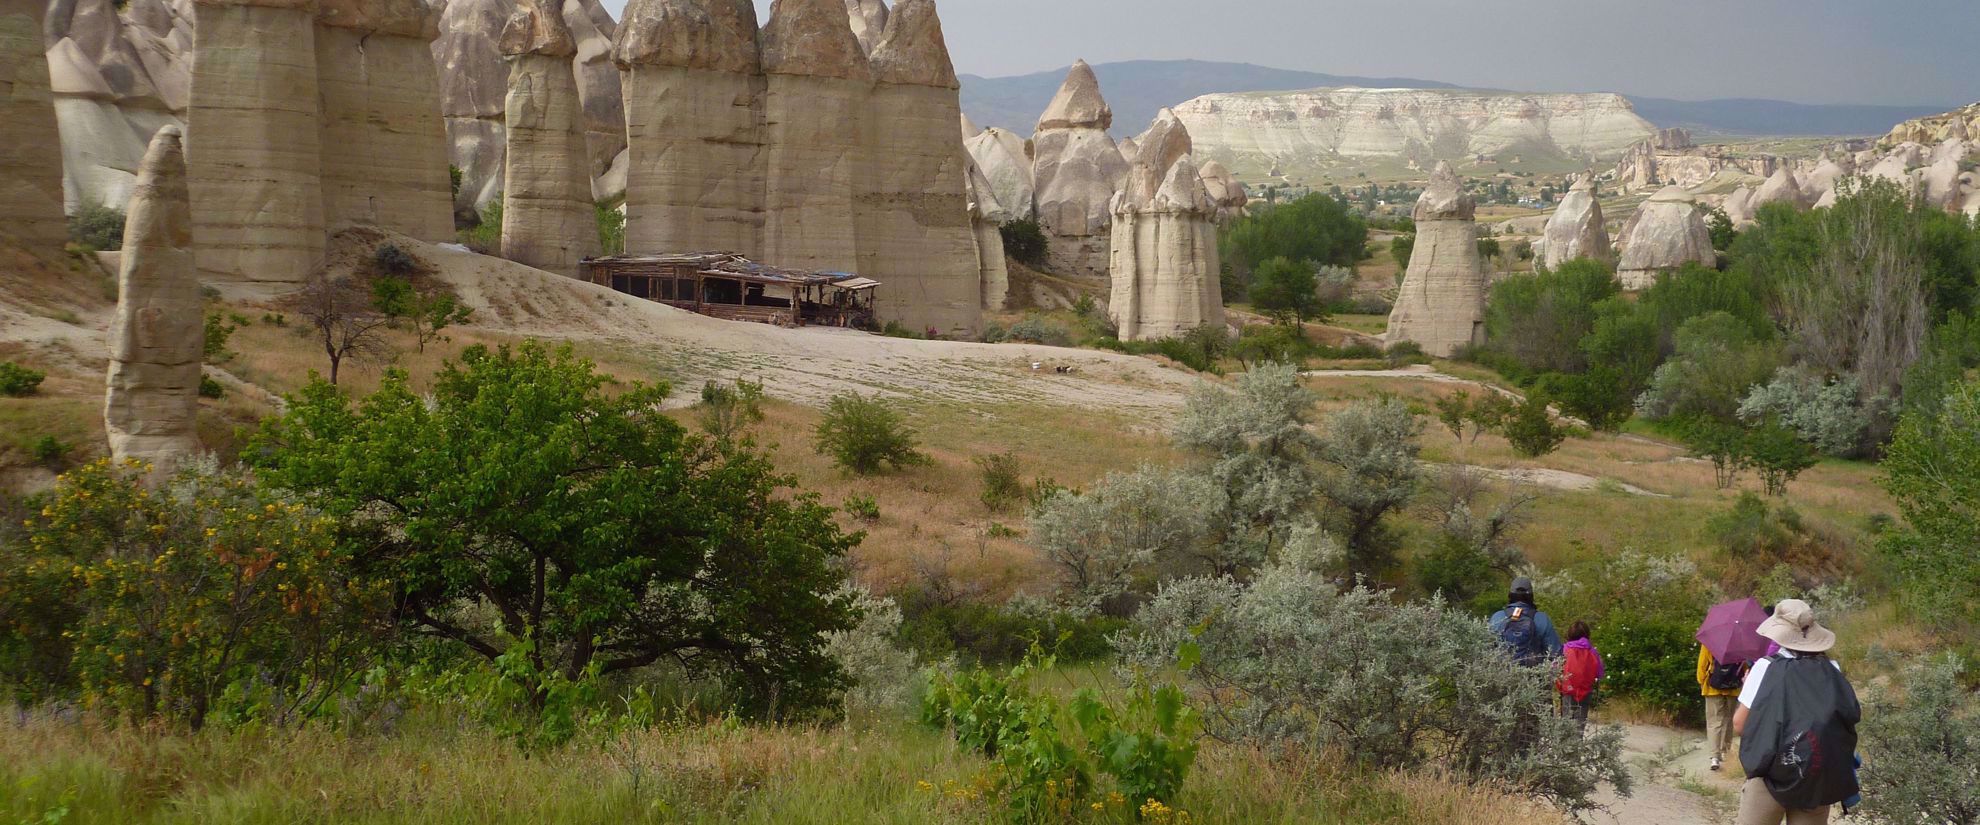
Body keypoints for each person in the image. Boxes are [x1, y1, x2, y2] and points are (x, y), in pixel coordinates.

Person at [1733, 599, 1860, 825]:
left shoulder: (1765, 667)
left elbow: (1740, 724)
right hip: (1817, 778)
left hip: (1770, 776)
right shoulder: (1833, 669)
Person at [1489, 577, 1562, 666]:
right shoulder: (1542, 618)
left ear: (1510, 595)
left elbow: (1487, 649)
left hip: (1502, 675)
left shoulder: (1497, 617)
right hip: (1533, 676)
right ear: (1531, 596)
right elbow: (1555, 652)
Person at [1698, 644, 1747, 772]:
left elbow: (1702, 665)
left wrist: (1702, 682)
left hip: (1712, 688)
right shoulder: (1740, 643)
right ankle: (1726, 752)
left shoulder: (1710, 642)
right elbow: (1744, 666)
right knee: (1729, 720)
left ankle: (1714, 757)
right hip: (1733, 688)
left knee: (1715, 721)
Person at [1557, 620, 1605, 732]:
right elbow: (1600, 672)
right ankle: (1577, 747)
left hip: (1568, 691)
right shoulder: (1592, 651)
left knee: (1566, 722)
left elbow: (1555, 668)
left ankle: (1564, 747)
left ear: (1570, 634)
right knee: (1579, 725)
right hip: (1585, 691)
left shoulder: (1564, 649)